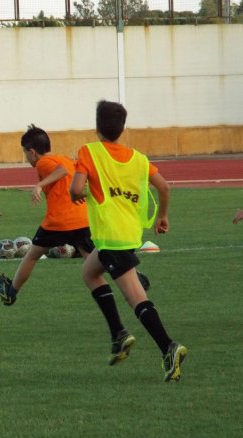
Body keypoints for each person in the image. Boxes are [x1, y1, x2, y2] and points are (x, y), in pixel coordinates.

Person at [69, 100, 187, 382]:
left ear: (97, 127)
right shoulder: (138, 158)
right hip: (127, 235)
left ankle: (168, 347)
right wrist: (163, 216)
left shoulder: (90, 151)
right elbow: (164, 186)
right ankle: (119, 334)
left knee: (136, 297)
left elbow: (76, 187)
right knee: (89, 272)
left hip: (112, 239)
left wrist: (79, 195)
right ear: (122, 129)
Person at [0, 125, 94, 306]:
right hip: (81, 218)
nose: (26, 158)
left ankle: (11, 292)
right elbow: (76, 171)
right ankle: (128, 276)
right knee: (93, 257)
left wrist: (39, 186)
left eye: (25, 153)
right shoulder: (63, 158)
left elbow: (61, 171)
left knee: (32, 255)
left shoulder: (43, 162)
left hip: (57, 222)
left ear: (32, 152)